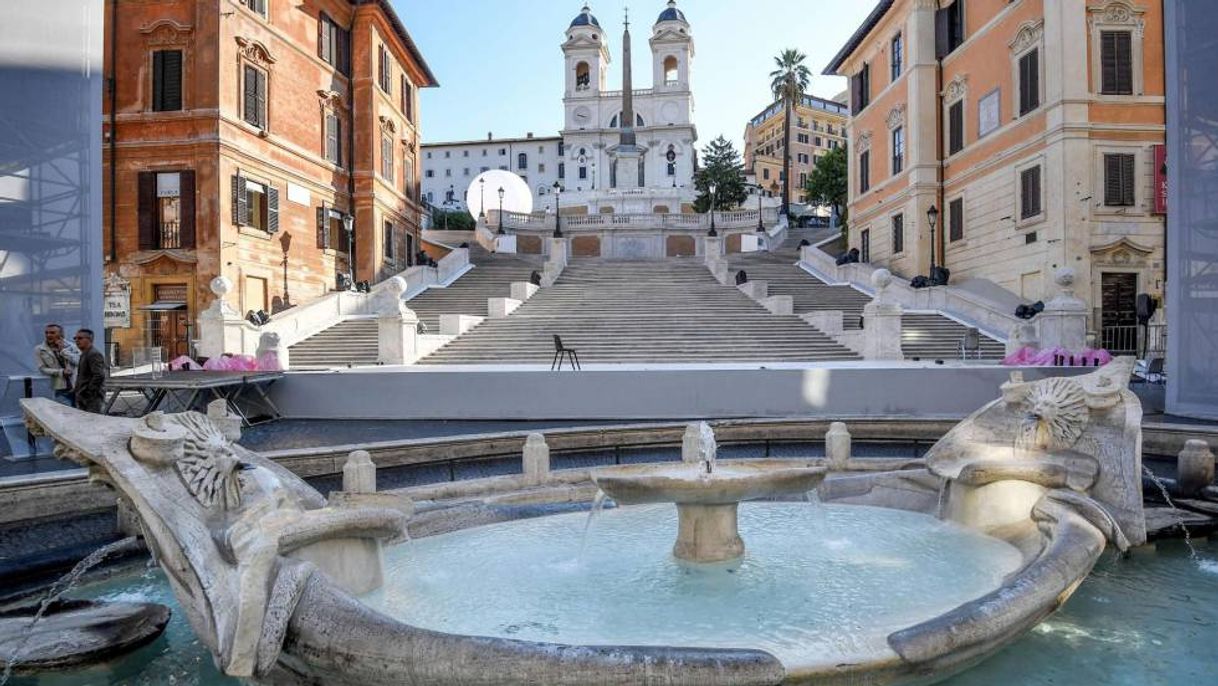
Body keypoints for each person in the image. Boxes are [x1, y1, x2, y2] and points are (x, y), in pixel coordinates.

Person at [34, 323, 80, 406]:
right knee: (64, 414)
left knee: (80, 413)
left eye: (52, 333)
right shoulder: (40, 349)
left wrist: (63, 351)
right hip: (60, 387)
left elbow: (79, 362)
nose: (48, 335)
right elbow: (42, 369)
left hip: (77, 386)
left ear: (61, 334)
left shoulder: (72, 346)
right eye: (46, 333)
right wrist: (60, 372)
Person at [72, 329, 109, 414]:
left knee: (93, 421)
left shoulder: (93, 354)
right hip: (84, 395)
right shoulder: (84, 353)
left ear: (89, 339)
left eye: (80, 338)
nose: (77, 341)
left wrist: (89, 391)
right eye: (75, 338)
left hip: (92, 397)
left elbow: (99, 375)